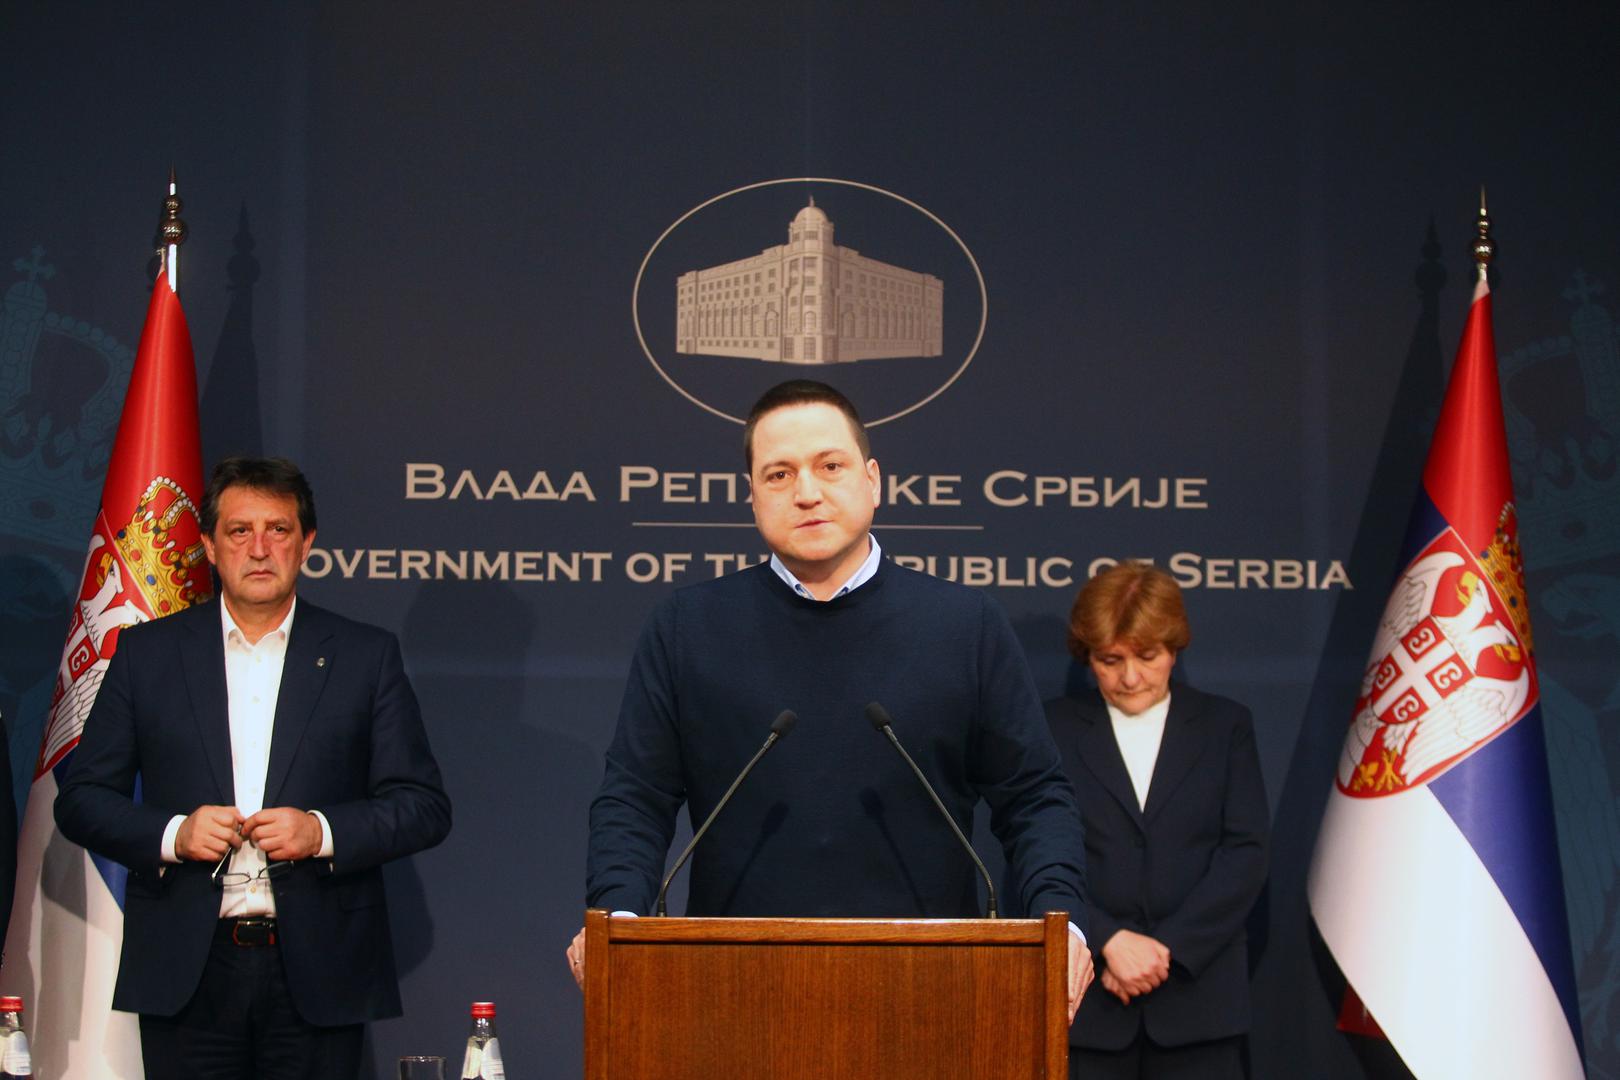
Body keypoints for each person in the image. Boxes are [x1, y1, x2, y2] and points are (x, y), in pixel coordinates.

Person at [568, 379, 1093, 1019]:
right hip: (730, 990)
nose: (807, 492)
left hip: (933, 990)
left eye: (830, 466)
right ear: (752, 496)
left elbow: (1034, 797)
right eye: (779, 474)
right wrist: (618, 920)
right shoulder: (688, 627)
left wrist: (1060, 922)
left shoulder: (965, 626)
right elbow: (635, 797)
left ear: (873, 480)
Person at [55, 456, 452, 1079]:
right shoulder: (147, 654)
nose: (259, 548)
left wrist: (320, 831)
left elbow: (423, 805)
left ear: (307, 543)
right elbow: (81, 799)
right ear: (210, 546)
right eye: (240, 531)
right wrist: (175, 834)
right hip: (187, 969)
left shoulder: (364, 656)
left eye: (278, 530)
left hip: (318, 970)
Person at [1047, 562, 1268, 1079]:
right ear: (1088, 656)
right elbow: (1036, 852)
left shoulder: (1225, 725)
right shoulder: (1053, 727)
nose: (1130, 678)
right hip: (1088, 1006)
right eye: (1110, 660)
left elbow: (1245, 852)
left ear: (1174, 648)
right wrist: (1107, 939)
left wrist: (1166, 950)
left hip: (1199, 998)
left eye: (1147, 657)